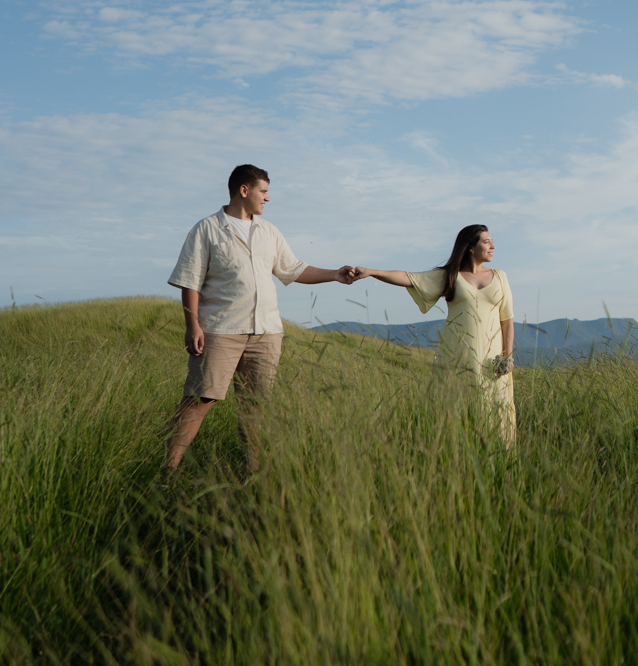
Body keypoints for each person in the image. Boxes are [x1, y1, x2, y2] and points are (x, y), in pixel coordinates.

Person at [164, 164, 361, 474]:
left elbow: (293, 269)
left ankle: (254, 478)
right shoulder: (207, 229)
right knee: (200, 400)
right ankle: (167, 472)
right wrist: (193, 325)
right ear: (244, 190)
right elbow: (190, 281)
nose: (267, 198)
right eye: (263, 191)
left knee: (256, 409)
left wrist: (335, 275)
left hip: (266, 333)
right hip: (220, 330)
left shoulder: (269, 231)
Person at [353, 224, 516, 445]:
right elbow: (410, 278)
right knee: (459, 410)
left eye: (492, 241)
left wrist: (507, 357)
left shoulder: (500, 277)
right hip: (458, 359)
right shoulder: (450, 276)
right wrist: (372, 272)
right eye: (486, 241)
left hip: (493, 362)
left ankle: (497, 457)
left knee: (496, 411)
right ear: (470, 247)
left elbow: (507, 320)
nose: (493, 246)